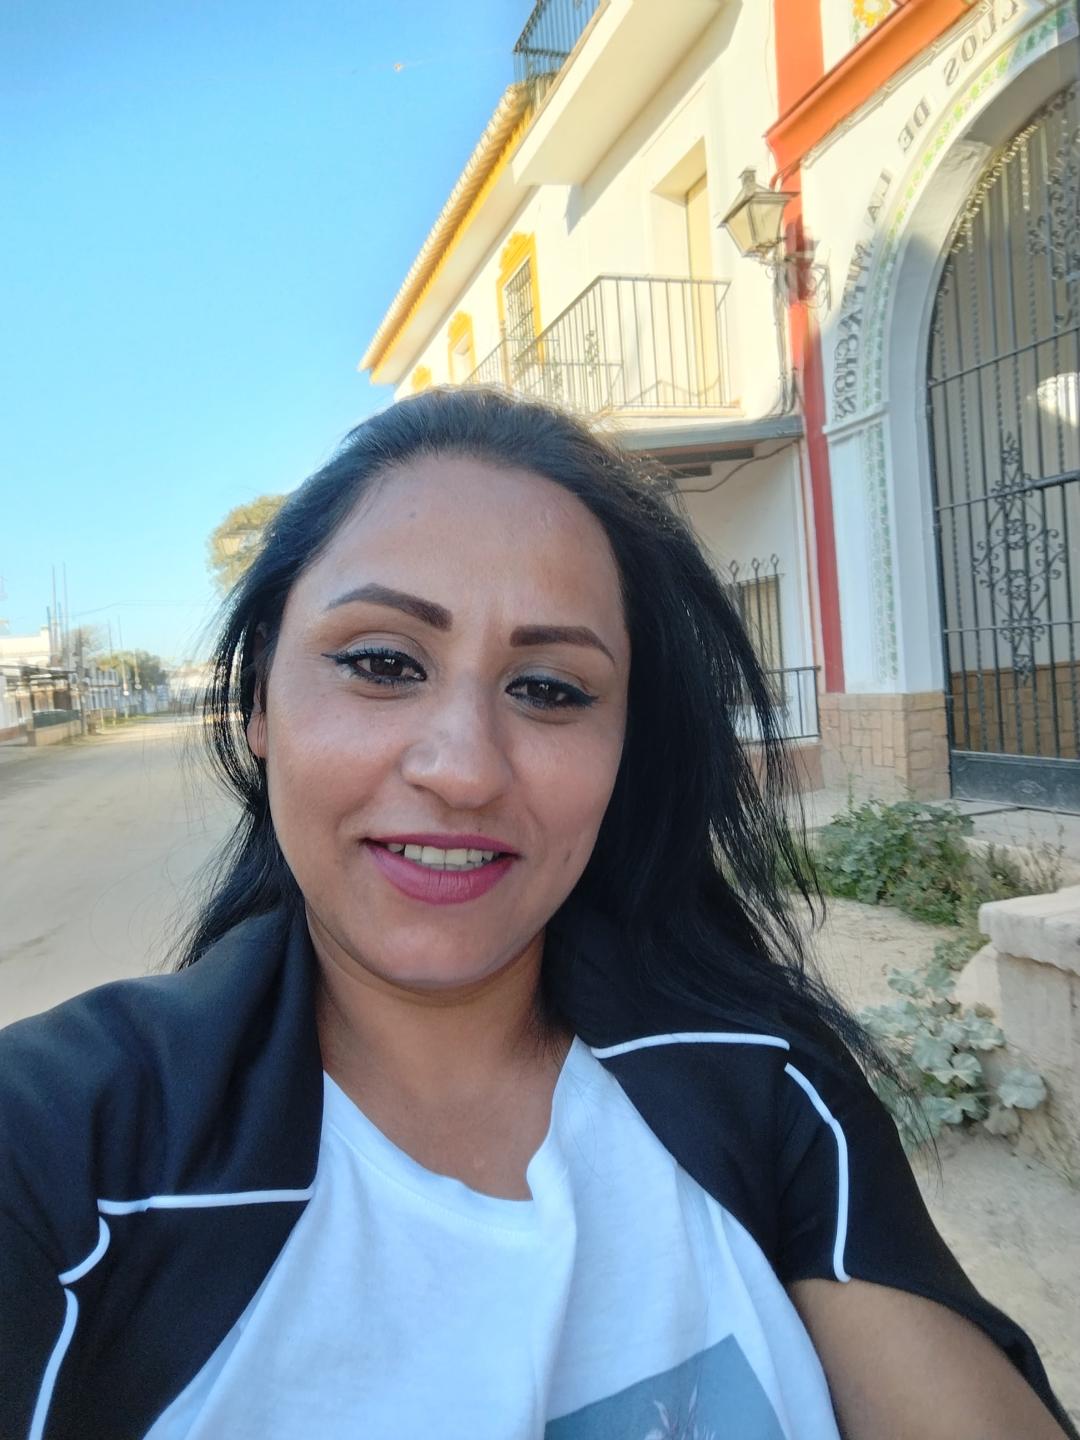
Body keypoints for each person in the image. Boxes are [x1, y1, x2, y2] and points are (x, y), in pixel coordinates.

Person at [1, 388, 1074, 1440]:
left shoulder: (764, 1088)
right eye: (382, 664)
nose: (465, 770)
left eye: (551, 689)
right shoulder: (63, 1150)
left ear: (625, 748)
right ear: (260, 707)